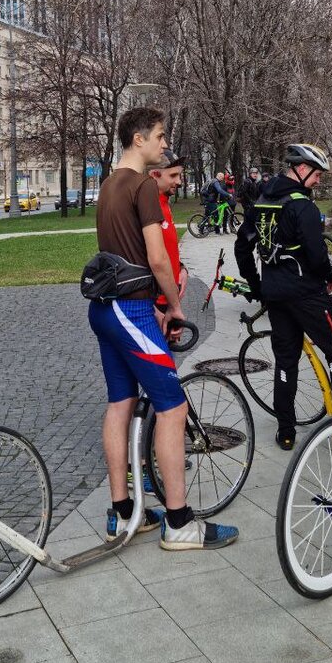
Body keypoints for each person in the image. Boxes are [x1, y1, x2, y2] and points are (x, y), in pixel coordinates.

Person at [90, 106, 238, 552]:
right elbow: (156, 259)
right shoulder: (141, 187)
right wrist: (173, 306)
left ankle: (121, 514)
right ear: (138, 139)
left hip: (106, 309)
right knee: (172, 409)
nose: (163, 144)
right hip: (130, 312)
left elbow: (123, 256)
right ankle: (179, 523)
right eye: (158, 136)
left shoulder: (107, 186)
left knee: (120, 404)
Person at [235, 143, 332, 450]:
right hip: (306, 294)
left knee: (286, 360)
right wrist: (329, 277)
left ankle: (286, 431)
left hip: (275, 295)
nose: (318, 181)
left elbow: (242, 247)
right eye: (316, 175)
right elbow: (316, 253)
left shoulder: (261, 201)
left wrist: (257, 286)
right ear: (301, 169)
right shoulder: (303, 206)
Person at [149, 148, 189, 311]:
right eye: (173, 176)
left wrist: (181, 268)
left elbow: (167, 248)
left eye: (179, 175)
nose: (179, 182)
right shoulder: (149, 207)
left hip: (169, 296)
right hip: (156, 301)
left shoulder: (164, 203)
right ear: (154, 175)